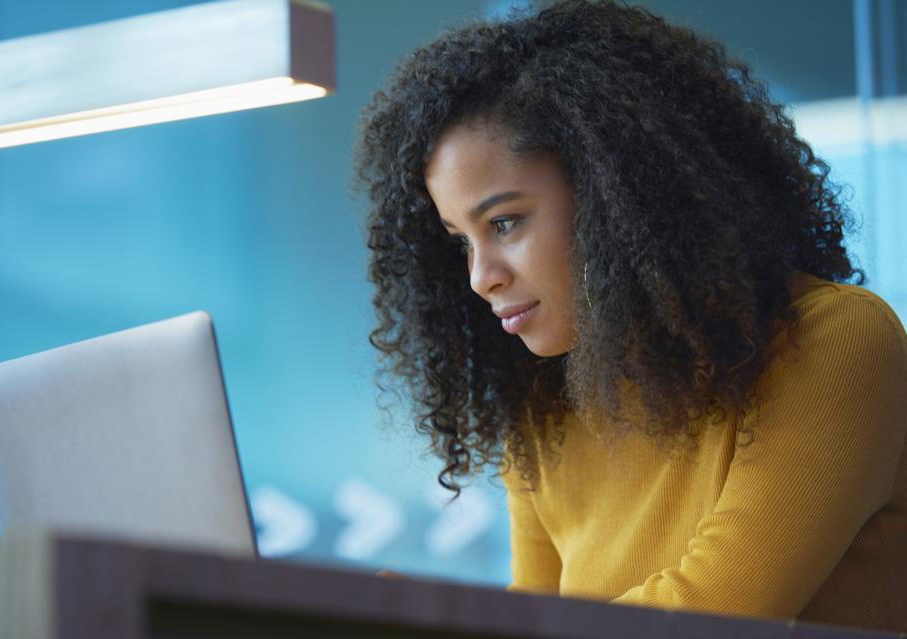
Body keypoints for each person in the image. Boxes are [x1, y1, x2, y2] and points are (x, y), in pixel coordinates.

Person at [353, 0, 907, 631]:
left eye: (504, 223)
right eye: (461, 240)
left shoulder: (837, 342)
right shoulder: (542, 400)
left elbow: (713, 611)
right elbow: (539, 609)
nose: (481, 277)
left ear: (616, 196)